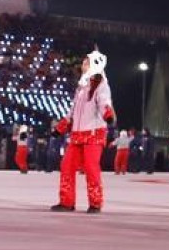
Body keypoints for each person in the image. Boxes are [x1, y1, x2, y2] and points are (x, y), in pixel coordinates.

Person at [51, 49, 115, 214]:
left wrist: (107, 113)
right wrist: (61, 127)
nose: (83, 65)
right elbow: (72, 112)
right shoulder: (81, 87)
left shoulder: (101, 85)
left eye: (86, 63)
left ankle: (95, 203)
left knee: (91, 168)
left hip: (93, 134)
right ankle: (67, 201)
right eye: (83, 62)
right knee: (66, 166)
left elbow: (104, 101)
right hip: (77, 135)